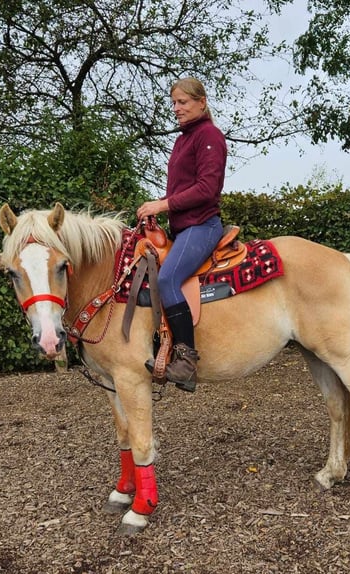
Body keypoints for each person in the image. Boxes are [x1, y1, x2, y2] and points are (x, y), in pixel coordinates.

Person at [136, 77, 227, 392]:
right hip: (182, 228)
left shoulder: (209, 136)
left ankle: (186, 362)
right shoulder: (183, 140)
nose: (176, 108)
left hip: (202, 226)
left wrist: (162, 204)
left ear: (201, 102)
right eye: (174, 103)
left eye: (183, 102)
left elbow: (207, 188)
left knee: (167, 280)